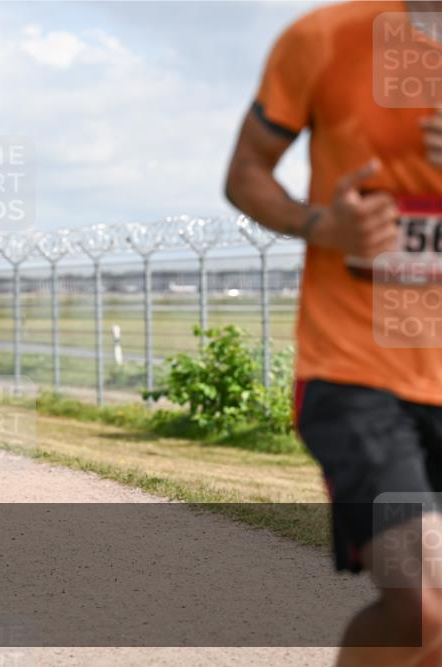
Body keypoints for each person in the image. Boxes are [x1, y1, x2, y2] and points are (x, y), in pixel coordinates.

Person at [225, 3, 441, 665]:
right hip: (354, 370)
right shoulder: (324, 38)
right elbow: (246, 173)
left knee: (423, 627)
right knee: (424, 602)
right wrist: (320, 223)